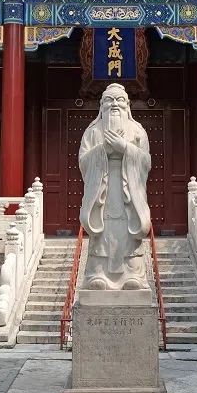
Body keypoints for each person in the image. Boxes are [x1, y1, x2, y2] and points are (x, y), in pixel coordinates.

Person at [78, 83, 151, 290]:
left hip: (128, 189)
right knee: (103, 228)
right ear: (101, 106)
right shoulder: (93, 132)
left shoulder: (137, 130)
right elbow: (83, 161)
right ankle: (97, 273)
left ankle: (133, 274)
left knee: (128, 229)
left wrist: (126, 149)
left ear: (128, 105)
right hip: (103, 188)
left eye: (119, 100)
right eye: (109, 100)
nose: (115, 105)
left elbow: (146, 162)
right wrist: (102, 152)